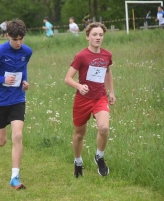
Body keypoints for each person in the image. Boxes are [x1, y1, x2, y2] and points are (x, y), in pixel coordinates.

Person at [0, 19, 32, 190]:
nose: (18, 43)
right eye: (15, 39)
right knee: (1, 140)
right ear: (8, 36)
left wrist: (24, 81)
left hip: (17, 98)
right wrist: (2, 79)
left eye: (21, 39)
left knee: (17, 136)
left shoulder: (27, 51)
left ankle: (15, 177)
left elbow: (23, 68)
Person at [64, 22, 115, 178]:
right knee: (79, 134)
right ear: (87, 37)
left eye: (100, 35)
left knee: (104, 128)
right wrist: (79, 86)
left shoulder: (107, 55)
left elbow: (108, 72)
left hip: (100, 96)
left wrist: (111, 92)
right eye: (94, 34)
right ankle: (78, 161)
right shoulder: (81, 56)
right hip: (83, 100)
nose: (98, 37)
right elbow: (67, 79)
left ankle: (99, 157)